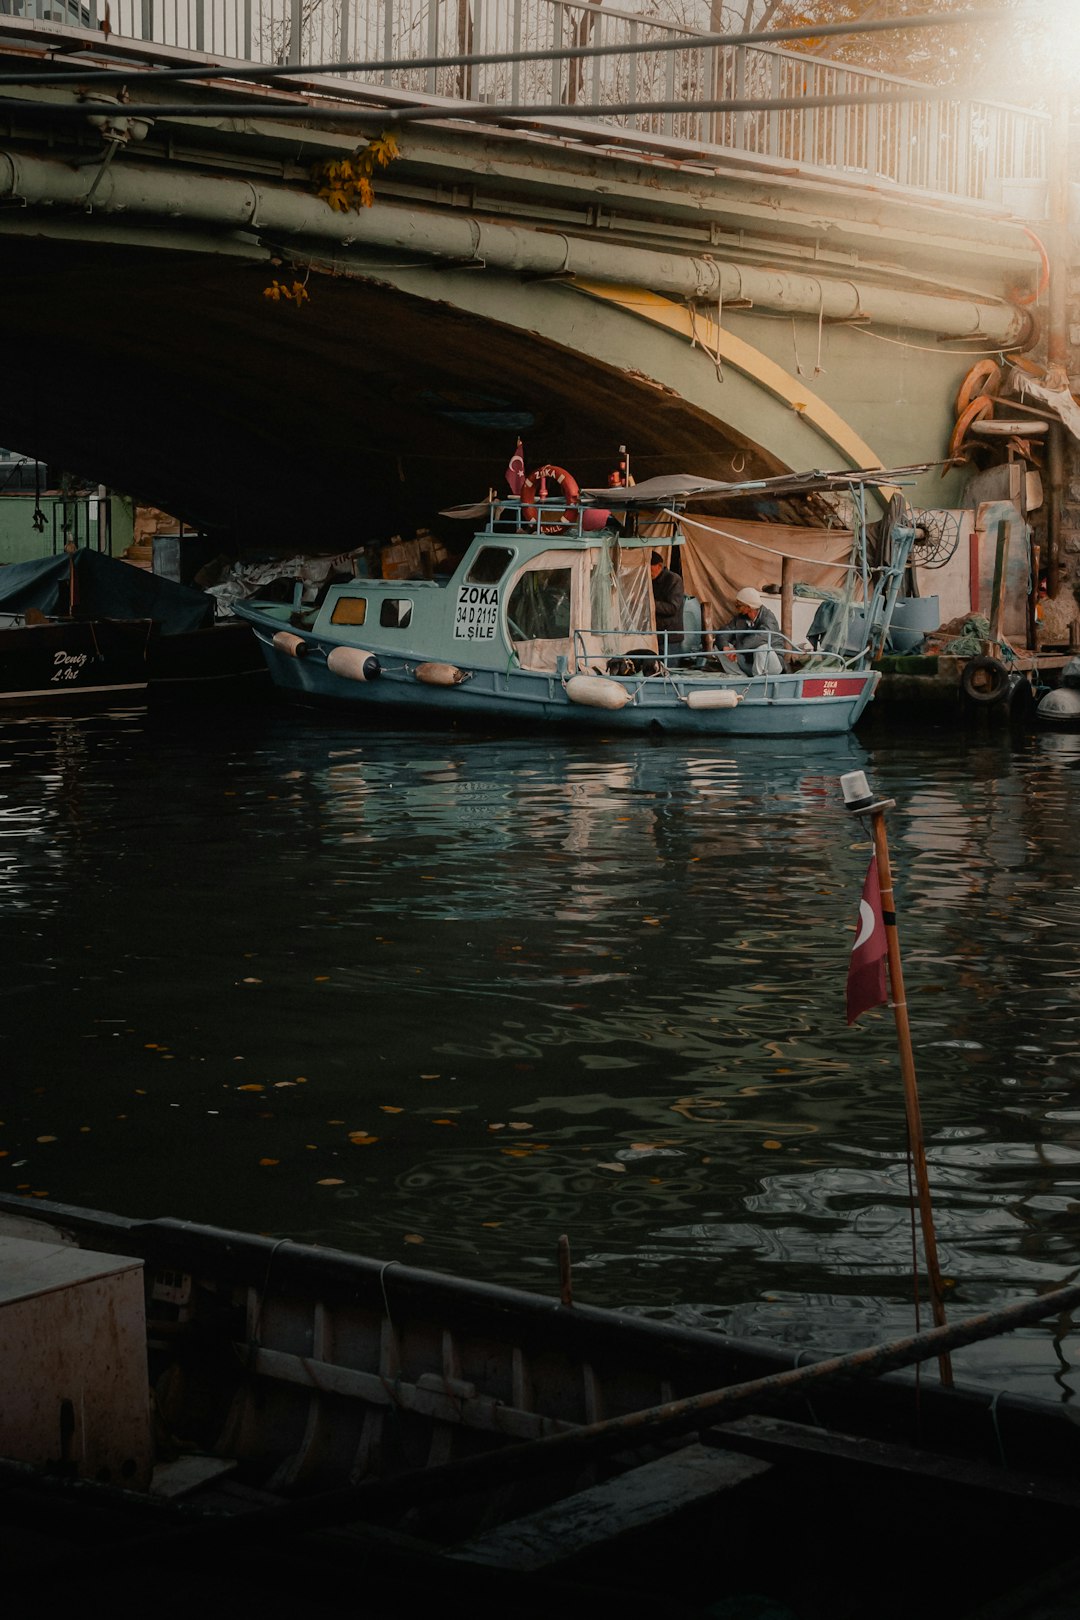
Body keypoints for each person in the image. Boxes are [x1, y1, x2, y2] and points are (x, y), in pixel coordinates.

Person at [715, 586, 784, 675]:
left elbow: (760, 637)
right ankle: (739, 676)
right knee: (719, 646)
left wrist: (736, 650)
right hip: (749, 661)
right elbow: (725, 632)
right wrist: (725, 648)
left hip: (770, 665)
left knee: (762, 648)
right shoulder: (740, 618)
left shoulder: (768, 617)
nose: (736, 607)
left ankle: (756, 681)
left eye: (739, 605)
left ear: (748, 607)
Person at [649, 551, 684, 654]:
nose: (647, 571)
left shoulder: (674, 580)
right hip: (653, 634)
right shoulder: (649, 580)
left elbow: (673, 608)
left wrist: (650, 603)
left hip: (670, 636)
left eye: (650, 567)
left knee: (668, 667)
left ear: (659, 566)